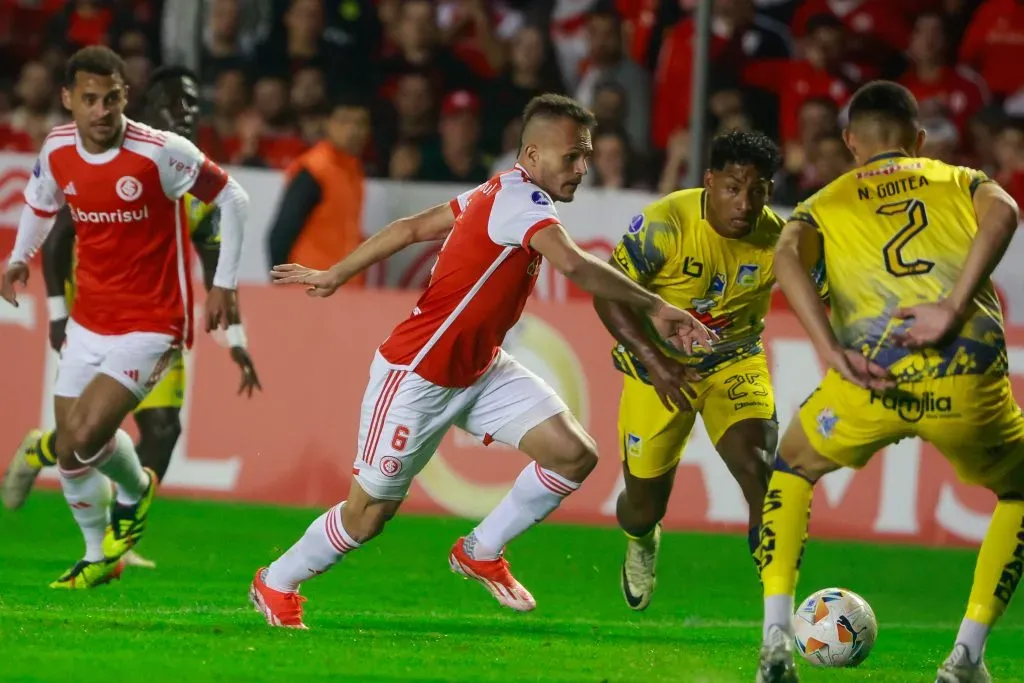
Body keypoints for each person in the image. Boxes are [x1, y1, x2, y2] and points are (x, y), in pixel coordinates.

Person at [249, 94, 716, 628]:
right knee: (366, 517)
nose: (582, 168)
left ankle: (481, 550)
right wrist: (656, 305)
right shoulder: (523, 203)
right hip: (417, 375)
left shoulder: (501, 189)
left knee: (572, 454)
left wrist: (336, 272)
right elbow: (574, 265)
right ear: (534, 155)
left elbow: (411, 228)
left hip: (480, 370)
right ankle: (277, 581)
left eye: (586, 155)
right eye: (572, 157)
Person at [756, 80, 1023, 683]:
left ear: (851, 141)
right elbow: (1005, 211)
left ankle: (775, 637)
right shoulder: (957, 179)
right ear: (919, 138)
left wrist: (828, 349)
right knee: (1021, 489)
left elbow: (785, 256)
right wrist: (953, 307)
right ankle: (966, 657)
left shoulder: (824, 200)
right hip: (965, 379)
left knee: (793, 466)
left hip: (870, 380)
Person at [0, 46, 248, 589]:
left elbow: (232, 196)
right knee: (70, 449)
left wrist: (225, 283)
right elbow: (42, 206)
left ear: (124, 97)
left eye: (111, 98)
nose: (102, 110)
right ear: (68, 100)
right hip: (90, 320)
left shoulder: (160, 152)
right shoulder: (58, 148)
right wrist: (20, 258)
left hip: (152, 322)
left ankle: (134, 492)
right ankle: (98, 556)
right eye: (89, 99)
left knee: (87, 437)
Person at [595, 130, 828, 612]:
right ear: (708, 182)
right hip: (656, 370)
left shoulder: (781, 241)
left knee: (761, 473)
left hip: (734, 362)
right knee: (642, 507)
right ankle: (641, 542)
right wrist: (657, 364)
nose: (745, 202)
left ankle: (779, 613)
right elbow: (608, 293)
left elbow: (835, 299)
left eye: (758, 189)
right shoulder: (666, 224)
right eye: (733, 188)